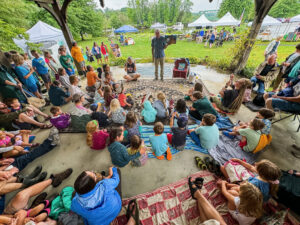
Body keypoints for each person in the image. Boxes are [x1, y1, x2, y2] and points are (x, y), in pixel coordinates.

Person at [4, 168, 72, 215]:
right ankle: (39, 205)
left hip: (8, 216)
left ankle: (53, 180)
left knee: (21, 196)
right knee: (40, 213)